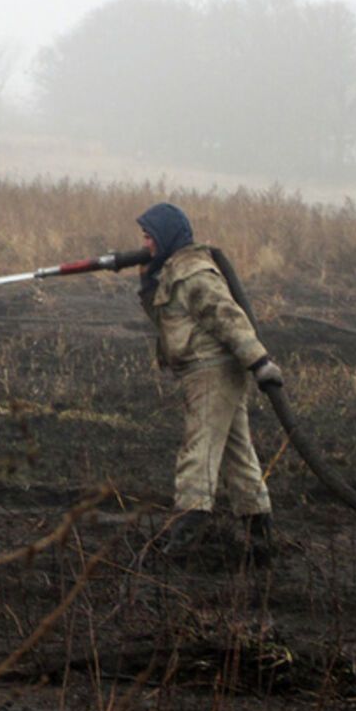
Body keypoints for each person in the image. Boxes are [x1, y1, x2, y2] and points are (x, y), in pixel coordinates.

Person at [136, 202, 282, 563]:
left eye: (149, 237)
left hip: (210, 371)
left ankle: (185, 537)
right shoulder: (175, 270)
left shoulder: (195, 273)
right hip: (205, 369)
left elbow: (228, 317)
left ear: (166, 236)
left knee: (197, 450)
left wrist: (259, 362)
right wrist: (147, 279)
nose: (145, 244)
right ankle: (260, 535)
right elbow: (167, 319)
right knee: (237, 452)